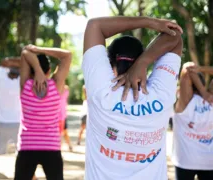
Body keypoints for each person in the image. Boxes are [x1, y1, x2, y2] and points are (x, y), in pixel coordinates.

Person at [82, 16, 183, 179]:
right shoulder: (161, 94)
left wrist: (149, 22)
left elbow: (95, 25)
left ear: (109, 62)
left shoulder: (100, 91)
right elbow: (175, 36)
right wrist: (143, 62)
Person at [14, 45, 71, 180]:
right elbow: (67, 55)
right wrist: (39, 50)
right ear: (50, 70)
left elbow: (25, 53)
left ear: (30, 70)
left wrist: (37, 69)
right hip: (51, 147)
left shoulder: (25, 86)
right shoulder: (56, 85)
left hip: (27, 146)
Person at [172, 64, 213, 180]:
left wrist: (202, 91)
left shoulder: (184, 101)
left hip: (185, 161)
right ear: (204, 84)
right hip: (209, 161)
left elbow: (187, 69)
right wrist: (201, 68)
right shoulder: (211, 99)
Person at [60, 85, 73, 151]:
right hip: (58, 116)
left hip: (62, 116)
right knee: (60, 133)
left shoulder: (65, 91)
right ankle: (60, 148)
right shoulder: (56, 91)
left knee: (64, 132)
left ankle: (69, 145)